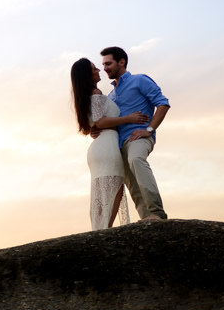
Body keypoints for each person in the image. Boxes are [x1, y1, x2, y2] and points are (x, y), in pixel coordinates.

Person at [70, 58, 148, 230]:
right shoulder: (96, 94)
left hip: (100, 147)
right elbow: (99, 121)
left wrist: (95, 127)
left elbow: (94, 123)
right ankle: (104, 231)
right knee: (114, 188)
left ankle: (100, 230)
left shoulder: (86, 97)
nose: (99, 70)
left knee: (102, 192)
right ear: (87, 74)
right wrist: (129, 118)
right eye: (94, 68)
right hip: (107, 146)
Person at [100, 46, 170, 220]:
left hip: (138, 137)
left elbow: (163, 104)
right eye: (103, 65)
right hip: (118, 144)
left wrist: (149, 130)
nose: (105, 68)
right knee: (131, 182)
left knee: (136, 159)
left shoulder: (140, 80)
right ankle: (147, 218)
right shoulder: (111, 96)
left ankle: (157, 213)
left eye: (108, 63)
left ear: (121, 62)